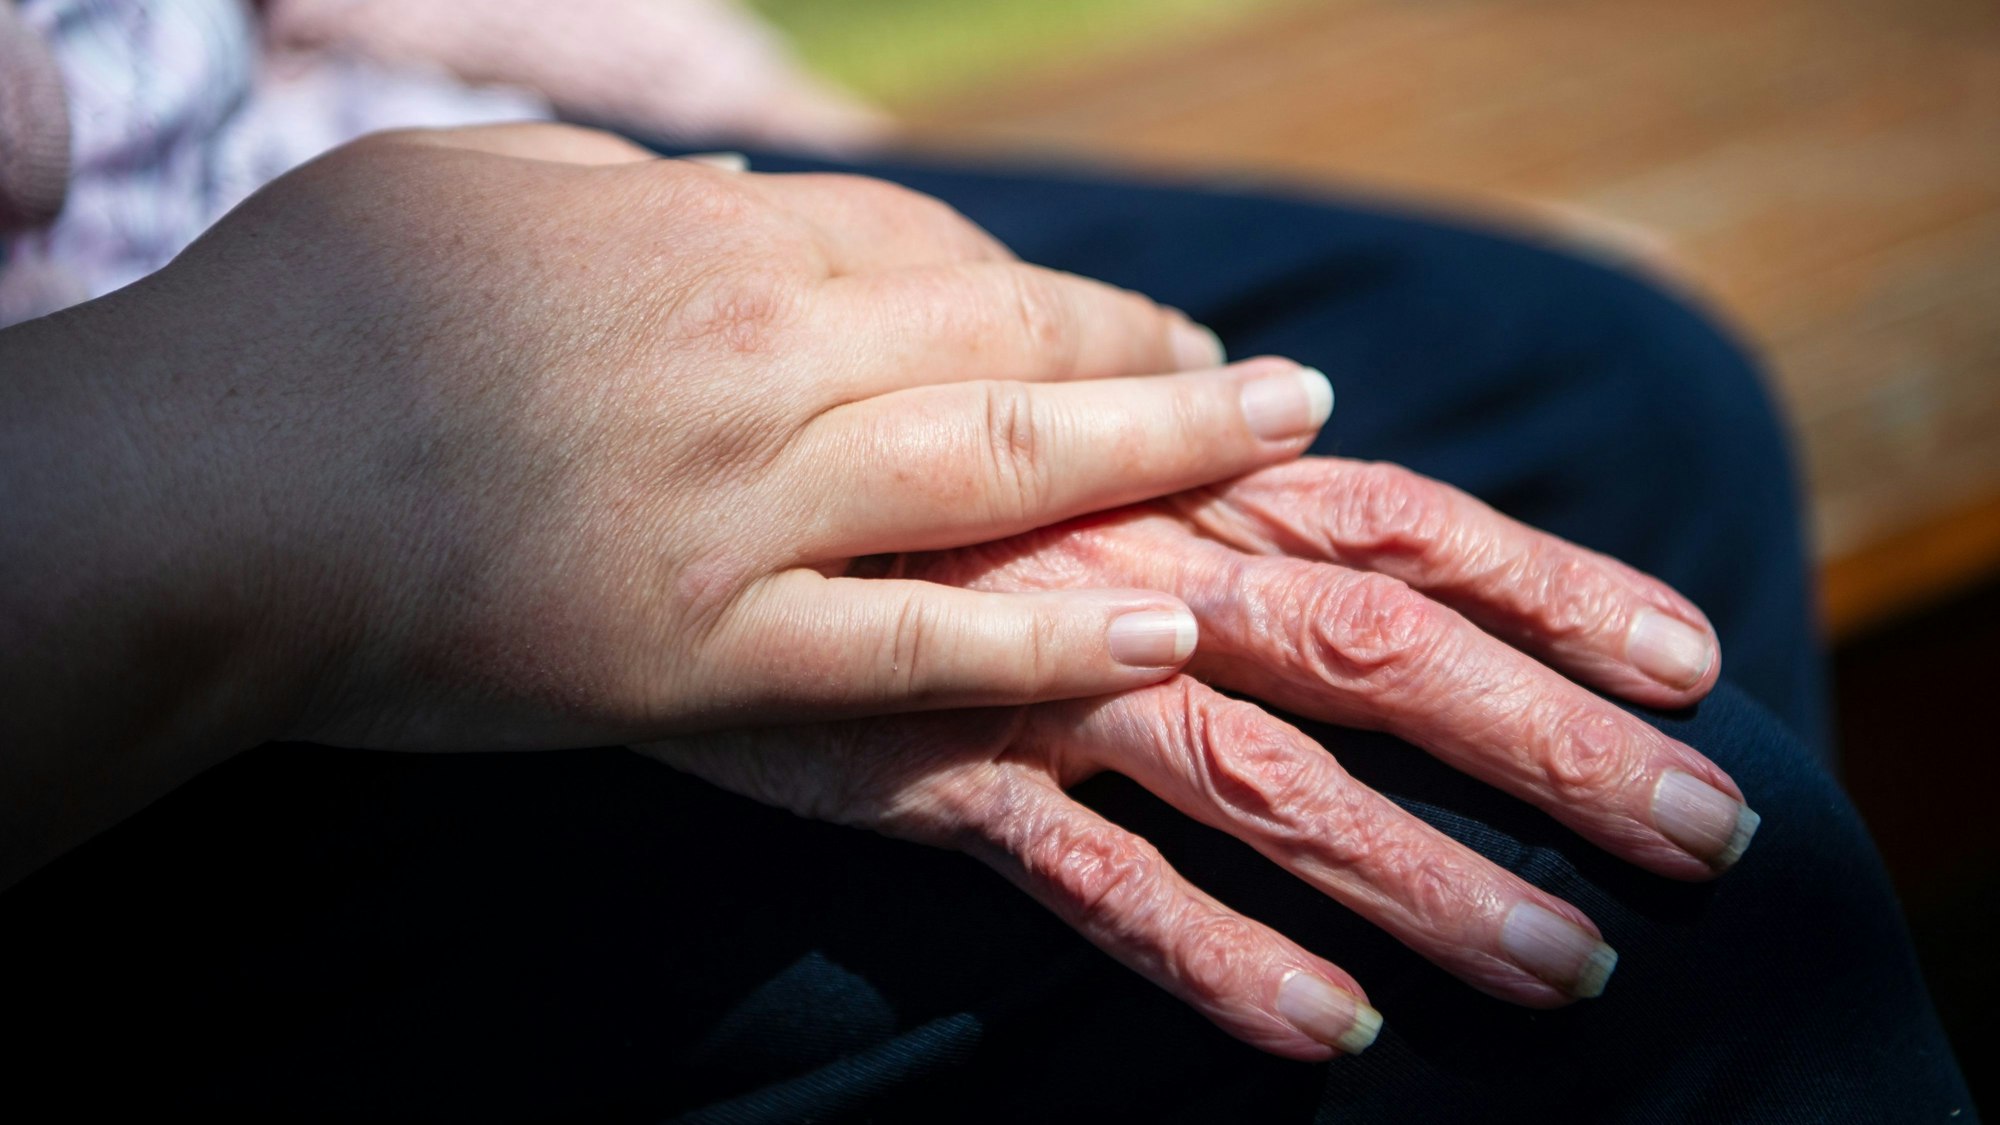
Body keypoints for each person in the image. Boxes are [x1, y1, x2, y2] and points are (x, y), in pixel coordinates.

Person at [0, 2, 1976, 1120]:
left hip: (312, 170)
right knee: (1608, 873)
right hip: (131, 537)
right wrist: (241, 480)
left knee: (1606, 395)